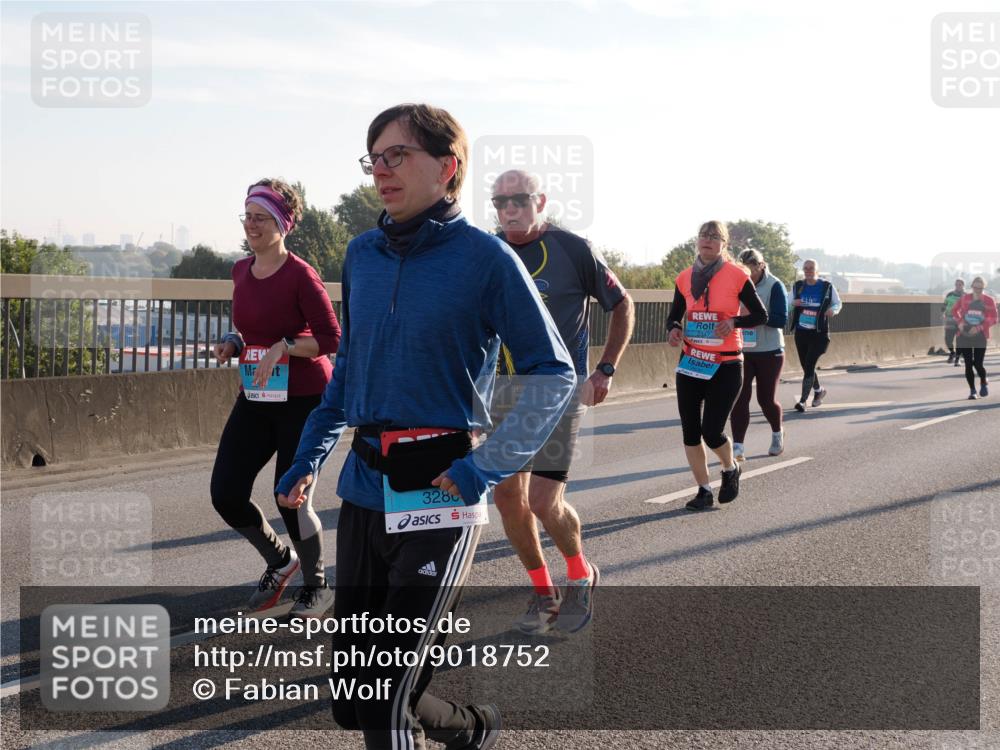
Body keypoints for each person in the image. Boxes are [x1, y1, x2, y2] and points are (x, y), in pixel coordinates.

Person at [275, 104, 576, 750]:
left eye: (397, 156)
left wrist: (482, 468)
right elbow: (349, 370)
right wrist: (308, 458)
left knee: (383, 700)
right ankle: (472, 730)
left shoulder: (486, 260)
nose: (380, 170)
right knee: (354, 701)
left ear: (447, 168)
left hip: (440, 486)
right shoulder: (361, 255)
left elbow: (555, 373)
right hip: (362, 490)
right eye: (373, 158)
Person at [490, 169, 635, 635]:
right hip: (505, 392)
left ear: (541, 201)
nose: (509, 209)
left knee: (541, 500)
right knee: (508, 499)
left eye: (519, 199)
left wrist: (605, 368)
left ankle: (579, 573)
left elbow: (623, 304)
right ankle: (542, 592)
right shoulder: (490, 251)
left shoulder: (573, 249)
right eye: (500, 202)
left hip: (559, 391)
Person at [210, 179, 341, 617]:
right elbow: (247, 329)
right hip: (257, 395)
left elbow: (330, 338)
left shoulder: (301, 274)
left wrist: (285, 345)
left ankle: (317, 585)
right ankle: (280, 561)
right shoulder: (240, 271)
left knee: (290, 495)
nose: (252, 225)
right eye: (247, 216)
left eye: (261, 217)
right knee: (226, 493)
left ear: (282, 223)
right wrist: (232, 342)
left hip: (305, 398)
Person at [667, 221, 767, 511]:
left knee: (711, 430)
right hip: (692, 362)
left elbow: (760, 314)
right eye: (703, 235)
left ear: (724, 244)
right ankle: (703, 490)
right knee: (690, 430)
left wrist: (733, 321)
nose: (707, 240)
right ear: (697, 241)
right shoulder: (684, 278)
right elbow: (674, 315)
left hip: (726, 364)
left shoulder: (736, 276)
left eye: (714, 237)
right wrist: (673, 328)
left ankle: (729, 467)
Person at [729, 249, 789, 461]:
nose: (747, 276)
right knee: (739, 398)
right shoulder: (735, 282)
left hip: (769, 351)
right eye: (743, 270)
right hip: (741, 350)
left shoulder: (774, 285)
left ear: (761, 266)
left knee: (766, 399)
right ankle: (737, 447)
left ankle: (777, 432)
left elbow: (781, 319)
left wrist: (753, 317)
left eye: (751, 271)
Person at [789, 259, 842, 412]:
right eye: (805, 268)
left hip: (819, 334)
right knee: (806, 366)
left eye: (811, 268)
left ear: (817, 270)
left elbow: (837, 303)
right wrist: (794, 303)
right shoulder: (798, 286)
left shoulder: (826, 287)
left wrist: (834, 310)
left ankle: (803, 400)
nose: (808, 271)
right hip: (801, 332)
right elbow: (787, 302)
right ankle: (819, 391)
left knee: (810, 364)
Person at [952, 276, 997, 399]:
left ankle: (983, 380)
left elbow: (994, 318)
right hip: (964, 334)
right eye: (975, 287)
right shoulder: (965, 298)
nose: (977, 290)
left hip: (980, 335)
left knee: (978, 364)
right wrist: (960, 322)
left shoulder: (989, 300)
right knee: (968, 364)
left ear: (984, 288)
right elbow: (954, 310)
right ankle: (972, 391)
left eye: (980, 288)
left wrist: (979, 327)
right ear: (972, 286)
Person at [942, 279, 965, 365]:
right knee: (948, 339)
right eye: (956, 285)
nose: (958, 286)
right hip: (950, 319)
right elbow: (944, 305)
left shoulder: (966, 296)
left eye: (960, 285)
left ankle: (957, 359)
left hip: (961, 320)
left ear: (963, 285)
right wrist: (943, 313)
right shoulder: (950, 294)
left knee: (959, 340)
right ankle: (952, 353)